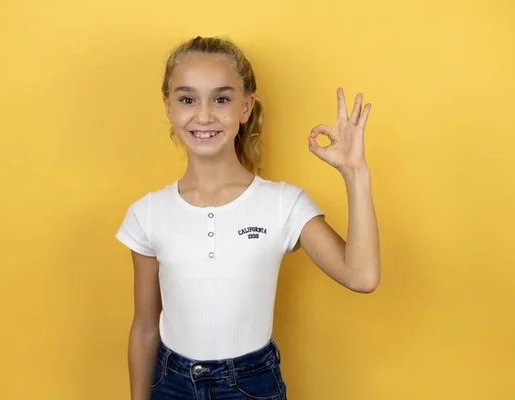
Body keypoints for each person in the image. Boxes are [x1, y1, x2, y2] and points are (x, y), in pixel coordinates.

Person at [115, 35, 380, 400]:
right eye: (187, 99)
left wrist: (355, 173)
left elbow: (361, 276)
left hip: (251, 385)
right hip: (170, 385)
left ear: (245, 107)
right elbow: (145, 327)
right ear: (168, 107)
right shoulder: (147, 214)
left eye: (221, 99)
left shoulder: (283, 204)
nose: (204, 115)